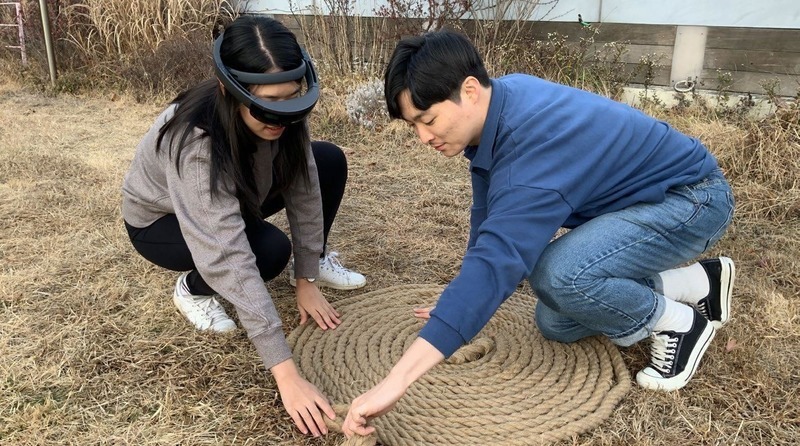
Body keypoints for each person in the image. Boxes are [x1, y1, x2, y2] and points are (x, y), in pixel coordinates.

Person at [342, 30, 736, 437]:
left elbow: (500, 260)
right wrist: (459, 294)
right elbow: (490, 216)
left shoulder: (534, 144)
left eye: (428, 120)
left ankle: (678, 322)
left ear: (470, 91)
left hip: (691, 200)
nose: (423, 137)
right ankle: (697, 282)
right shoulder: (503, 101)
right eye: (414, 126)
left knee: (558, 275)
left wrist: (396, 381)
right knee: (556, 321)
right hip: (639, 202)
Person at [121, 15, 366, 438]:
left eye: (290, 101)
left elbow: (305, 189)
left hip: (235, 195)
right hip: (163, 221)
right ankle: (192, 289)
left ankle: (309, 264)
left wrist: (307, 275)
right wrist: (286, 374)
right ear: (227, 89)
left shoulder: (283, 113)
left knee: (327, 161)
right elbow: (227, 253)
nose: (281, 115)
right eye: (267, 103)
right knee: (266, 252)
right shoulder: (193, 141)